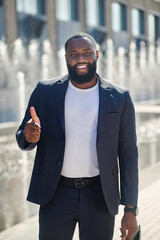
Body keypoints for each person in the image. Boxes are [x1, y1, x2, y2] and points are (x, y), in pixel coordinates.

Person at [16, 32, 139, 240]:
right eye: (74, 54)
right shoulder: (46, 92)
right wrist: (28, 135)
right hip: (55, 194)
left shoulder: (119, 97)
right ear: (65, 58)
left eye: (87, 53)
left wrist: (130, 209)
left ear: (97, 55)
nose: (81, 59)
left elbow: (128, 155)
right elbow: (23, 136)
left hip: (100, 196)